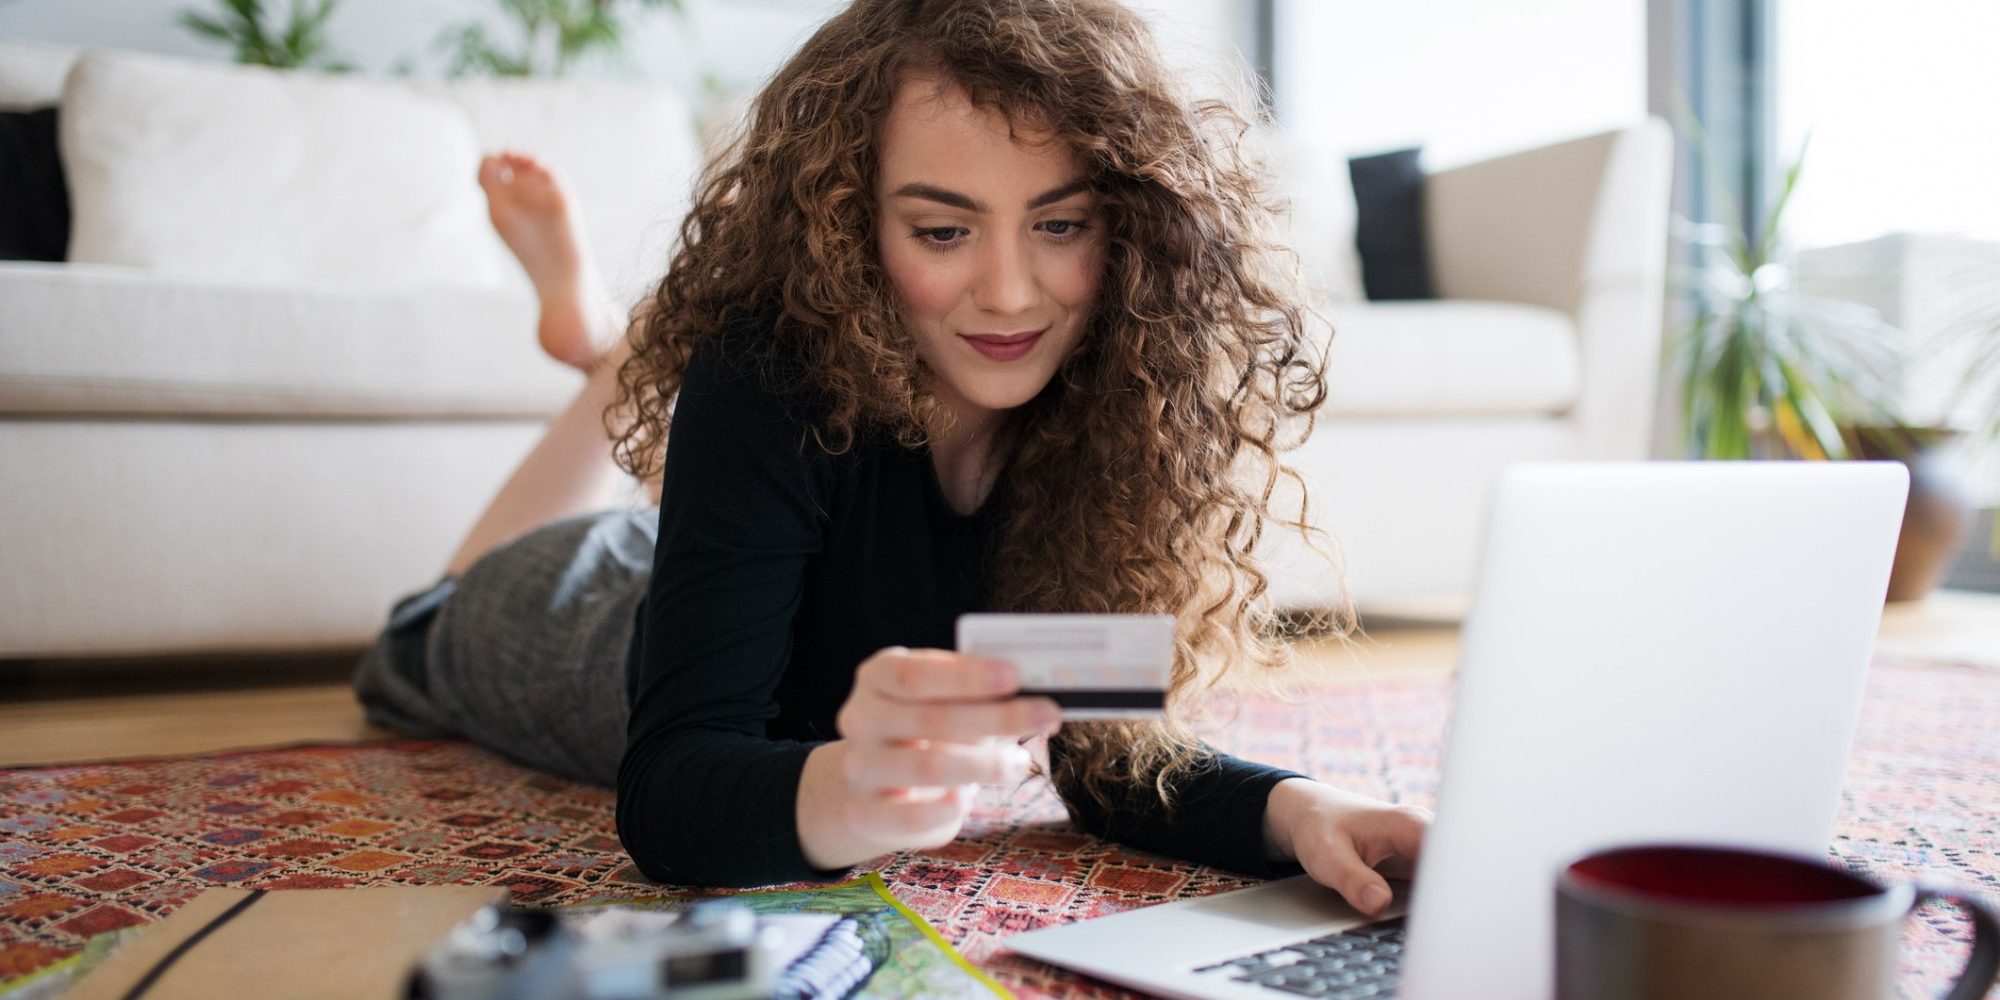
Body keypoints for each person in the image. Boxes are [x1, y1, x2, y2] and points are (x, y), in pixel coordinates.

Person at [355, 0, 1429, 918]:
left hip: (726, 559)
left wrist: (1299, 810)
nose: (1009, 294)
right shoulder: (763, 370)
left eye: (1058, 226)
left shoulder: (1114, 403)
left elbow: (1107, 759)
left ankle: (617, 363)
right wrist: (840, 791)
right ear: (848, 228)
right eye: (942, 232)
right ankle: (611, 362)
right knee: (422, 624)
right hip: (582, 625)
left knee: (698, 523)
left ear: (1131, 229)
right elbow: (671, 789)